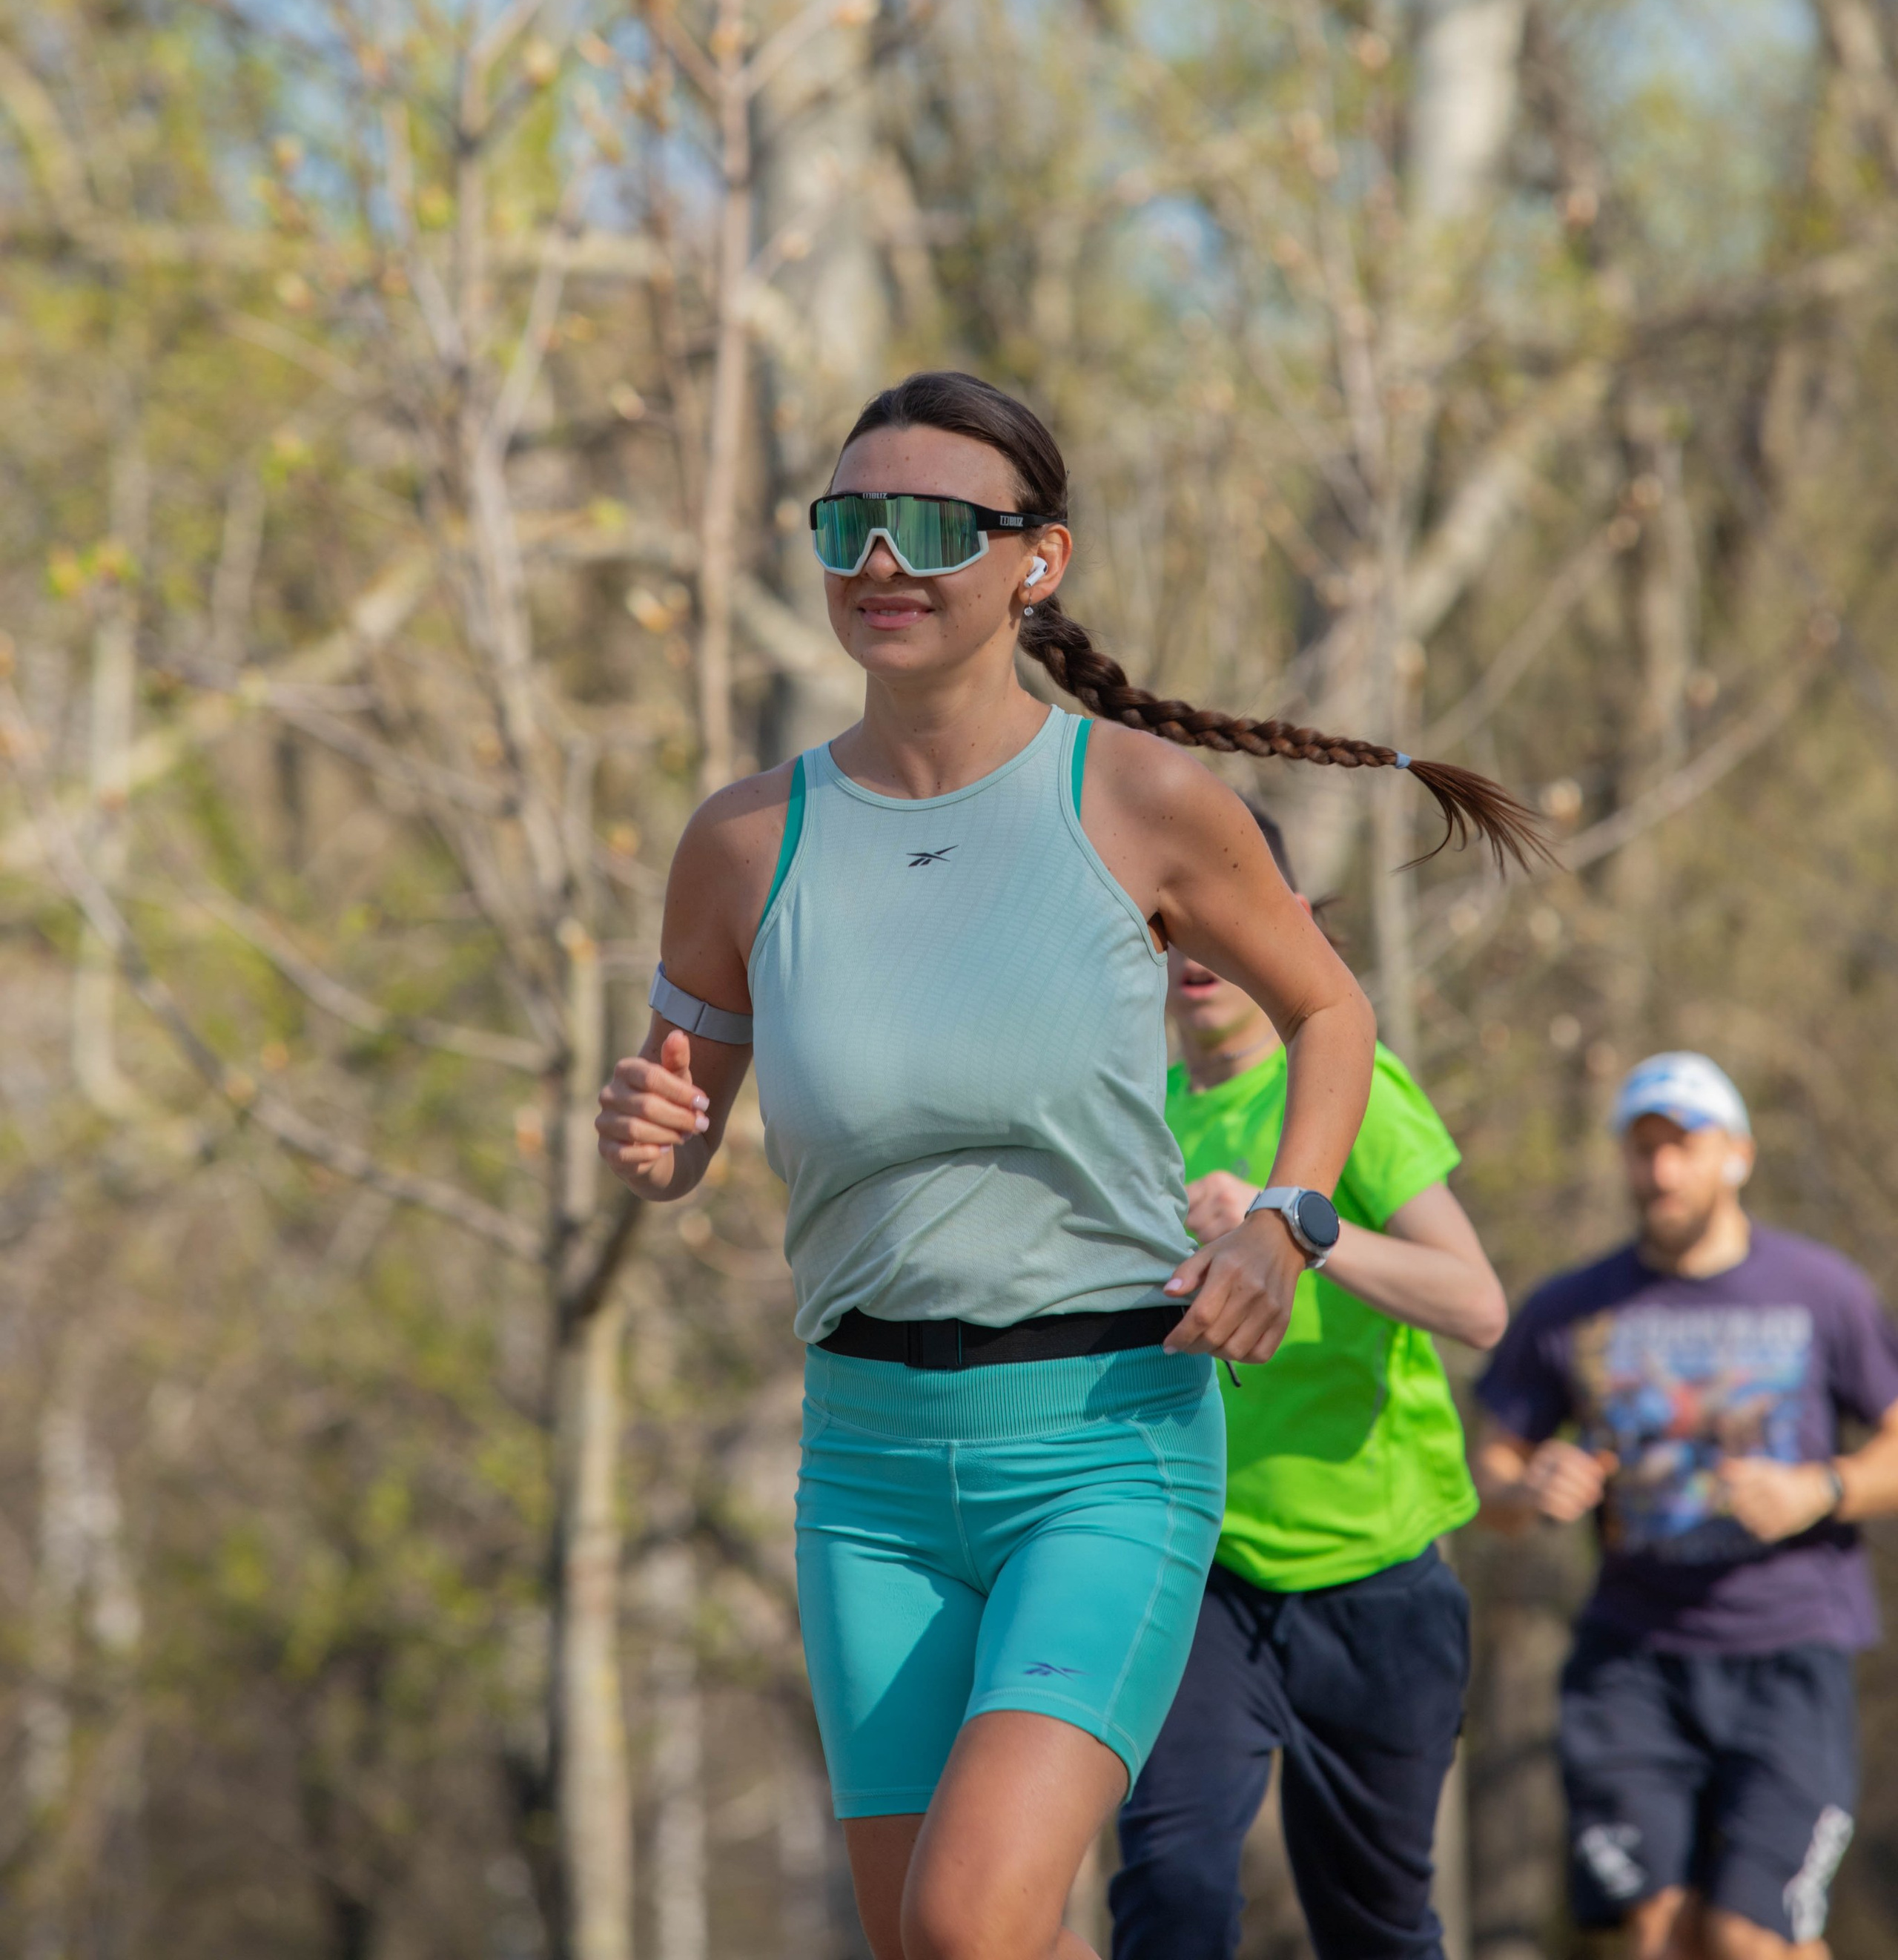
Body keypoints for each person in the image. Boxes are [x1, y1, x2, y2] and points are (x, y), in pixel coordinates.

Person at [595, 370, 1542, 1960]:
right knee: (944, 1945)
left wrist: (1292, 1223)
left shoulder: (1139, 800)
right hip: (866, 1470)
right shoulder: (743, 843)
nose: (879, 560)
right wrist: (652, 1141)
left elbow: (1327, 1006)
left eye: (931, 528)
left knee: (972, 1921)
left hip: (1100, 1450)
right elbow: (678, 1129)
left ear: (1039, 561)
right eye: (847, 524)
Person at [1111, 811, 1508, 1960]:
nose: (1193, 948)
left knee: (1372, 1929)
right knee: (1171, 1889)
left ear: (1289, 927)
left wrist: (1294, 1225)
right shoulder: (1134, 1121)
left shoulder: (1348, 1092)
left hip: (1374, 1581)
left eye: (1220, 916)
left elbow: (1476, 1303)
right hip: (1202, 1579)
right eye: (1164, 919)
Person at [1475, 1050, 1898, 1960]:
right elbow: (1489, 1474)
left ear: (1736, 1155)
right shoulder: (1568, 1308)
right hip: (1632, 1657)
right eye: (1643, 1148)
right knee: (1660, 1932)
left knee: (1751, 1934)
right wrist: (1527, 1484)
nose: (1661, 1170)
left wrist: (1820, 1488)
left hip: (1790, 1653)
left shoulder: (1821, 1293)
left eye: (1683, 1146)